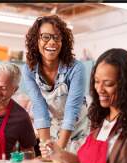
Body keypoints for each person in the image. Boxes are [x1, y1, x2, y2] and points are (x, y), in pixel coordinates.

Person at [14, 48, 127, 163]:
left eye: (108, 83)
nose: (99, 89)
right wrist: (59, 153)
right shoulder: (100, 119)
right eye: (96, 81)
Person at [23, 15, 88, 154]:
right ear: (36, 40)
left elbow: (72, 110)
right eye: (46, 37)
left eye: (57, 37)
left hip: (78, 129)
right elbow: (39, 107)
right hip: (54, 127)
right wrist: (46, 145)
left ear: (63, 41)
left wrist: (59, 148)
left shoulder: (76, 69)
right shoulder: (29, 69)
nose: (52, 42)